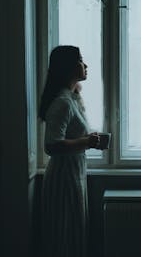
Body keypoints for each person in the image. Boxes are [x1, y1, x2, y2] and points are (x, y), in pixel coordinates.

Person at [38, 45, 104, 257]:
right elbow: (52, 145)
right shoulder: (63, 102)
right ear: (68, 67)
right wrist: (88, 142)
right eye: (81, 60)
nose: (85, 65)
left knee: (71, 235)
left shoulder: (71, 99)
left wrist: (86, 140)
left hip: (72, 176)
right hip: (63, 179)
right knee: (63, 238)